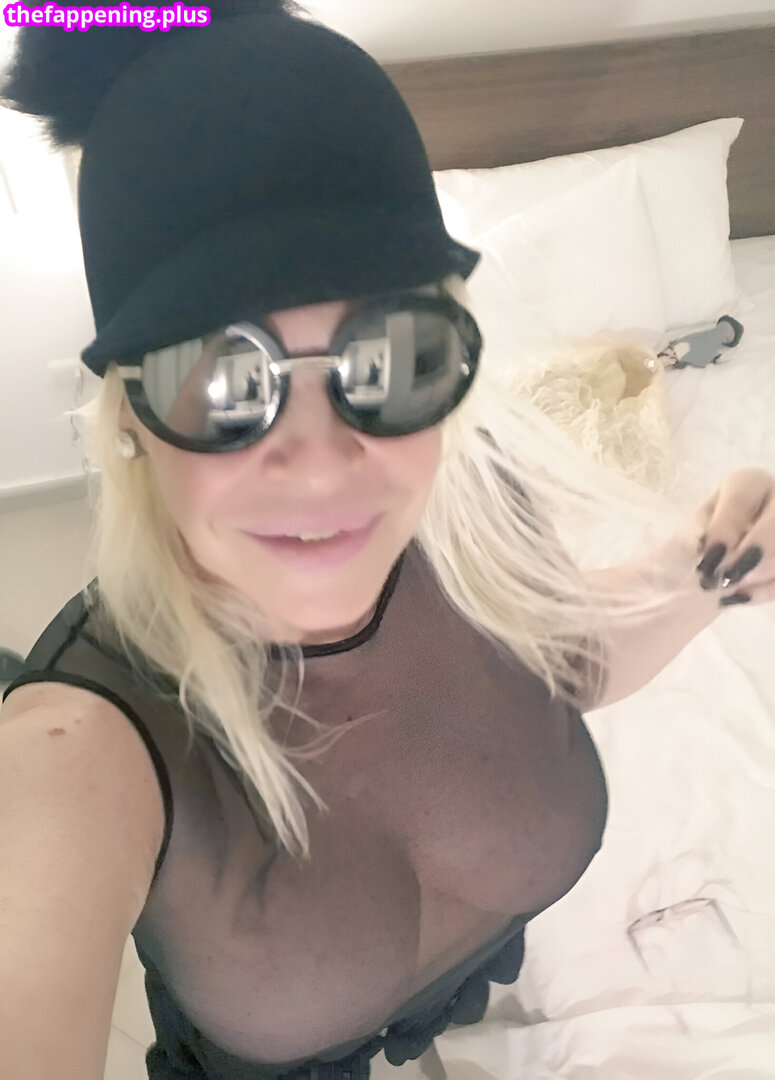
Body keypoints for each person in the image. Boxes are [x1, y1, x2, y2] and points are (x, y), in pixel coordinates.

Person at [1, 3, 773, 1079]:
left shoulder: (477, 494)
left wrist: (709, 572)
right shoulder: (76, 748)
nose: (322, 463)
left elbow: (550, 672)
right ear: (129, 413)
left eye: (395, 355)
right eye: (222, 379)